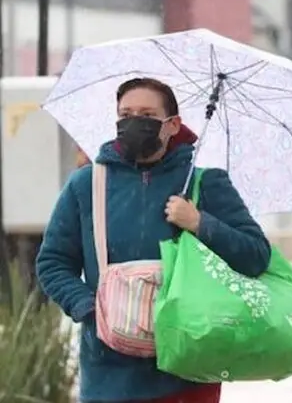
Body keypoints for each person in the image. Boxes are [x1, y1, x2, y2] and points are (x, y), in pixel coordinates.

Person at [36, 77, 272, 403]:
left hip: (188, 371)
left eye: (147, 115)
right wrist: (91, 309)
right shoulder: (86, 185)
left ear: (172, 124)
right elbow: (53, 263)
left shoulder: (206, 183)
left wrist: (200, 223)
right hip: (109, 375)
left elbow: (256, 256)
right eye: (125, 114)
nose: (134, 122)